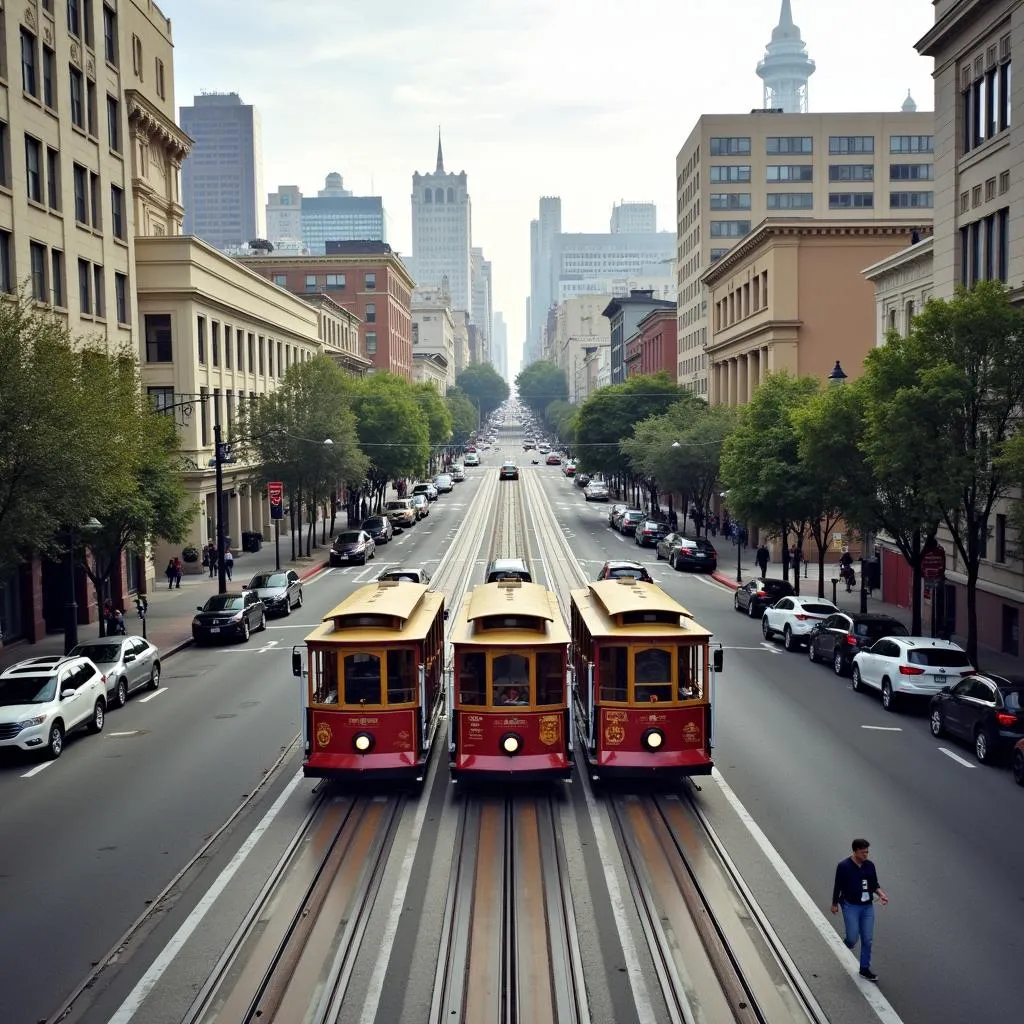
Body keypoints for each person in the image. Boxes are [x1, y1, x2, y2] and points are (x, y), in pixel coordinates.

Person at [831, 838, 888, 982]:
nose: (866, 855)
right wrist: (834, 903)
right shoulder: (844, 866)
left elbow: (874, 884)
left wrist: (881, 894)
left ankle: (864, 969)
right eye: (863, 852)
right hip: (850, 906)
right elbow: (838, 885)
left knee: (867, 940)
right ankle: (847, 944)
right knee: (852, 938)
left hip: (867, 907)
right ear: (855, 851)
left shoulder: (870, 866)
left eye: (867, 852)